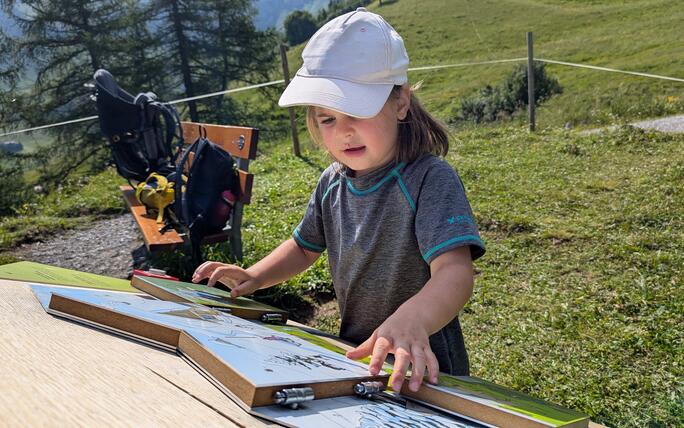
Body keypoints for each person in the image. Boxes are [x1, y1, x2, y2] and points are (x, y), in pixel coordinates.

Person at [192, 7, 485, 393]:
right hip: (358, 356)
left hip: (425, 368)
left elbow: (455, 272)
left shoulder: (429, 179)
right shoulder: (332, 182)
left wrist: (412, 318)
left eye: (357, 112)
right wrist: (255, 276)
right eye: (327, 119)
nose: (344, 132)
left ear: (401, 103)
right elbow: (303, 246)